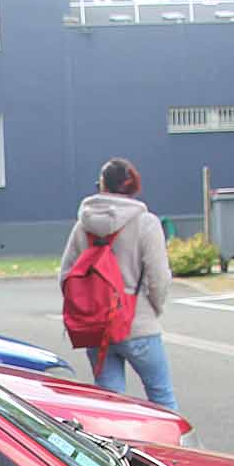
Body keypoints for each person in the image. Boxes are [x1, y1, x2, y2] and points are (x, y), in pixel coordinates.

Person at [59, 157, 176, 410]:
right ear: (133, 185)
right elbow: (159, 276)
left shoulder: (83, 225)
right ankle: (165, 450)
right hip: (138, 323)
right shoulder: (146, 223)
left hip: (97, 327)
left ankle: (115, 449)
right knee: (161, 398)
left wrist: (85, 309)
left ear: (102, 185)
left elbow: (66, 275)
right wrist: (153, 309)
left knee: (112, 407)